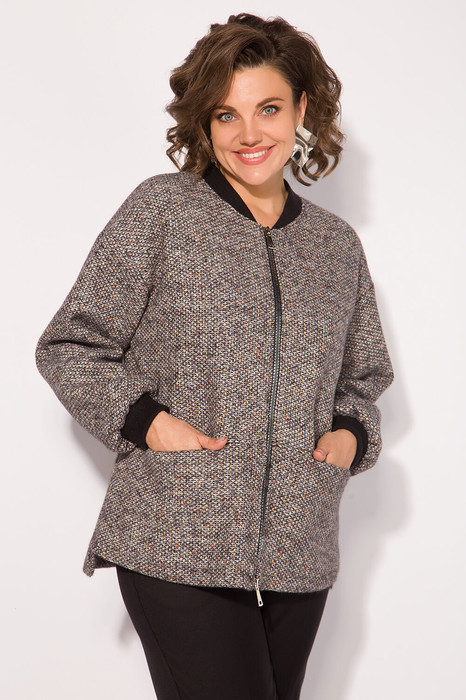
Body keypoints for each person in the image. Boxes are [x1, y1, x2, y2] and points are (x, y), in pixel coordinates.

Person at [35, 12, 394, 700]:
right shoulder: (162, 212)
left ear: (302, 109)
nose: (249, 133)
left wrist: (350, 435)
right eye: (227, 114)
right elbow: (71, 343)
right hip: (176, 535)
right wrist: (148, 423)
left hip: (299, 546)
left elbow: (363, 375)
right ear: (204, 122)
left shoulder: (335, 246)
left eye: (268, 108)